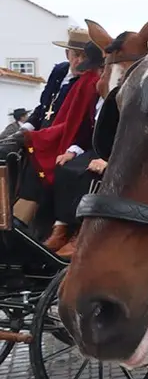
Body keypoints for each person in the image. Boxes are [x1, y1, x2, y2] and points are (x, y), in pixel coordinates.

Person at [12, 42, 103, 238]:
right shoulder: (61, 72)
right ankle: (10, 215)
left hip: (69, 139)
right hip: (50, 135)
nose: (78, 60)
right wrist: (28, 129)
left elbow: (79, 122)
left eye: (83, 56)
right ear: (67, 53)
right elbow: (44, 107)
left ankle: (43, 229)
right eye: (74, 55)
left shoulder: (90, 82)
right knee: (10, 154)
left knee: (57, 168)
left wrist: (70, 147)